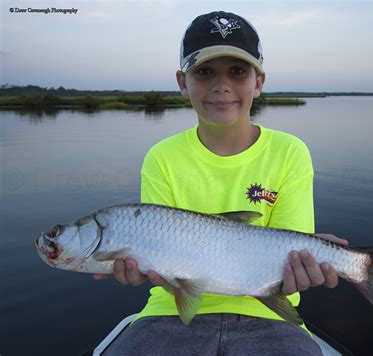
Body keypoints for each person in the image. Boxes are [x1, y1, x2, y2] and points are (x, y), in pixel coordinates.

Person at [94, 10, 348, 355]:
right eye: (204, 71)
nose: (221, 84)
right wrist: (138, 267)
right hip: (170, 311)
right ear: (183, 83)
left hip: (268, 314)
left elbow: (289, 254)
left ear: (258, 82)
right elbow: (160, 263)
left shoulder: (291, 152)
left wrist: (308, 265)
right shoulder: (161, 157)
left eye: (238, 71)